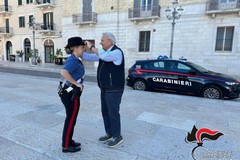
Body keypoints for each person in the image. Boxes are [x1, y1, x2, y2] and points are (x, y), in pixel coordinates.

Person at [85, 32, 125, 148]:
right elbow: (90, 57)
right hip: (105, 89)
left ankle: (117, 136)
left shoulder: (116, 52)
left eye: (102, 40)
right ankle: (110, 133)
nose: (100, 42)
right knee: (105, 112)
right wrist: (79, 52)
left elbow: (103, 56)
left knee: (113, 113)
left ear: (110, 42)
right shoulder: (105, 52)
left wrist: (92, 47)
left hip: (114, 89)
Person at [59, 37, 85, 153]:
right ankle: (66, 145)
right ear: (76, 48)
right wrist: (77, 84)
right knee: (70, 119)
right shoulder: (73, 60)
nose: (83, 49)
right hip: (70, 93)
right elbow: (64, 72)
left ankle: (69, 140)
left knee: (72, 119)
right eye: (82, 47)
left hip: (70, 92)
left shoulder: (75, 59)